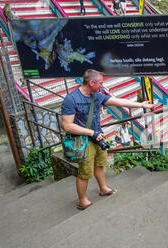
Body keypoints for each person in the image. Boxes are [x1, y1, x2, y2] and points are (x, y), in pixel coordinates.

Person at [61, 69, 156, 210]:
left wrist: (141, 105)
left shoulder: (97, 96)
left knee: (99, 164)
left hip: (97, 137)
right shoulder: (71, 99)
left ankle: (103, 188)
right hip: (83, 141)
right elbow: (67, 126)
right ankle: (82, 200)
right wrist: (91, 132)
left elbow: (118, 101)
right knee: (85, 173)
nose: (102, 86)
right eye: (100, 83)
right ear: (91, 82)